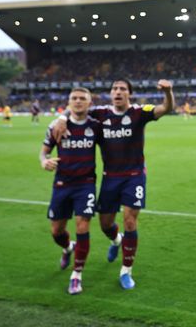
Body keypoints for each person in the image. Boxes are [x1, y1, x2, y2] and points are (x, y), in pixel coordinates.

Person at [53, 79, 174, 289]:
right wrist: (61, 117)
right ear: (111, 94)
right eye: (115, 89)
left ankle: (126, 271)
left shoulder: (139, 112)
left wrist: (168, 92)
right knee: (105, 224)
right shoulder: (100, 114)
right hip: (110, 177)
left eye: (123, 89)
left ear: (129, 94)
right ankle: (116, 240)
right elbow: (77, 108)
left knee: (130, 221)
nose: (118, 92)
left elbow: (165, 108)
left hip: (134, 176)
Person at [39, 88, 101, 295]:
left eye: (82, 98)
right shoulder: (56, 126)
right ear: (69, 102)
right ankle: (67, 248)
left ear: (89, 103)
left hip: (86, 184)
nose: (78, 101)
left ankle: (77, 275)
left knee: (82, 226)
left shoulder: (96, 126)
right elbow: (44, 151)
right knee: (56, 232)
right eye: (74, 98)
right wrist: (44, 161)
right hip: (62, 184)